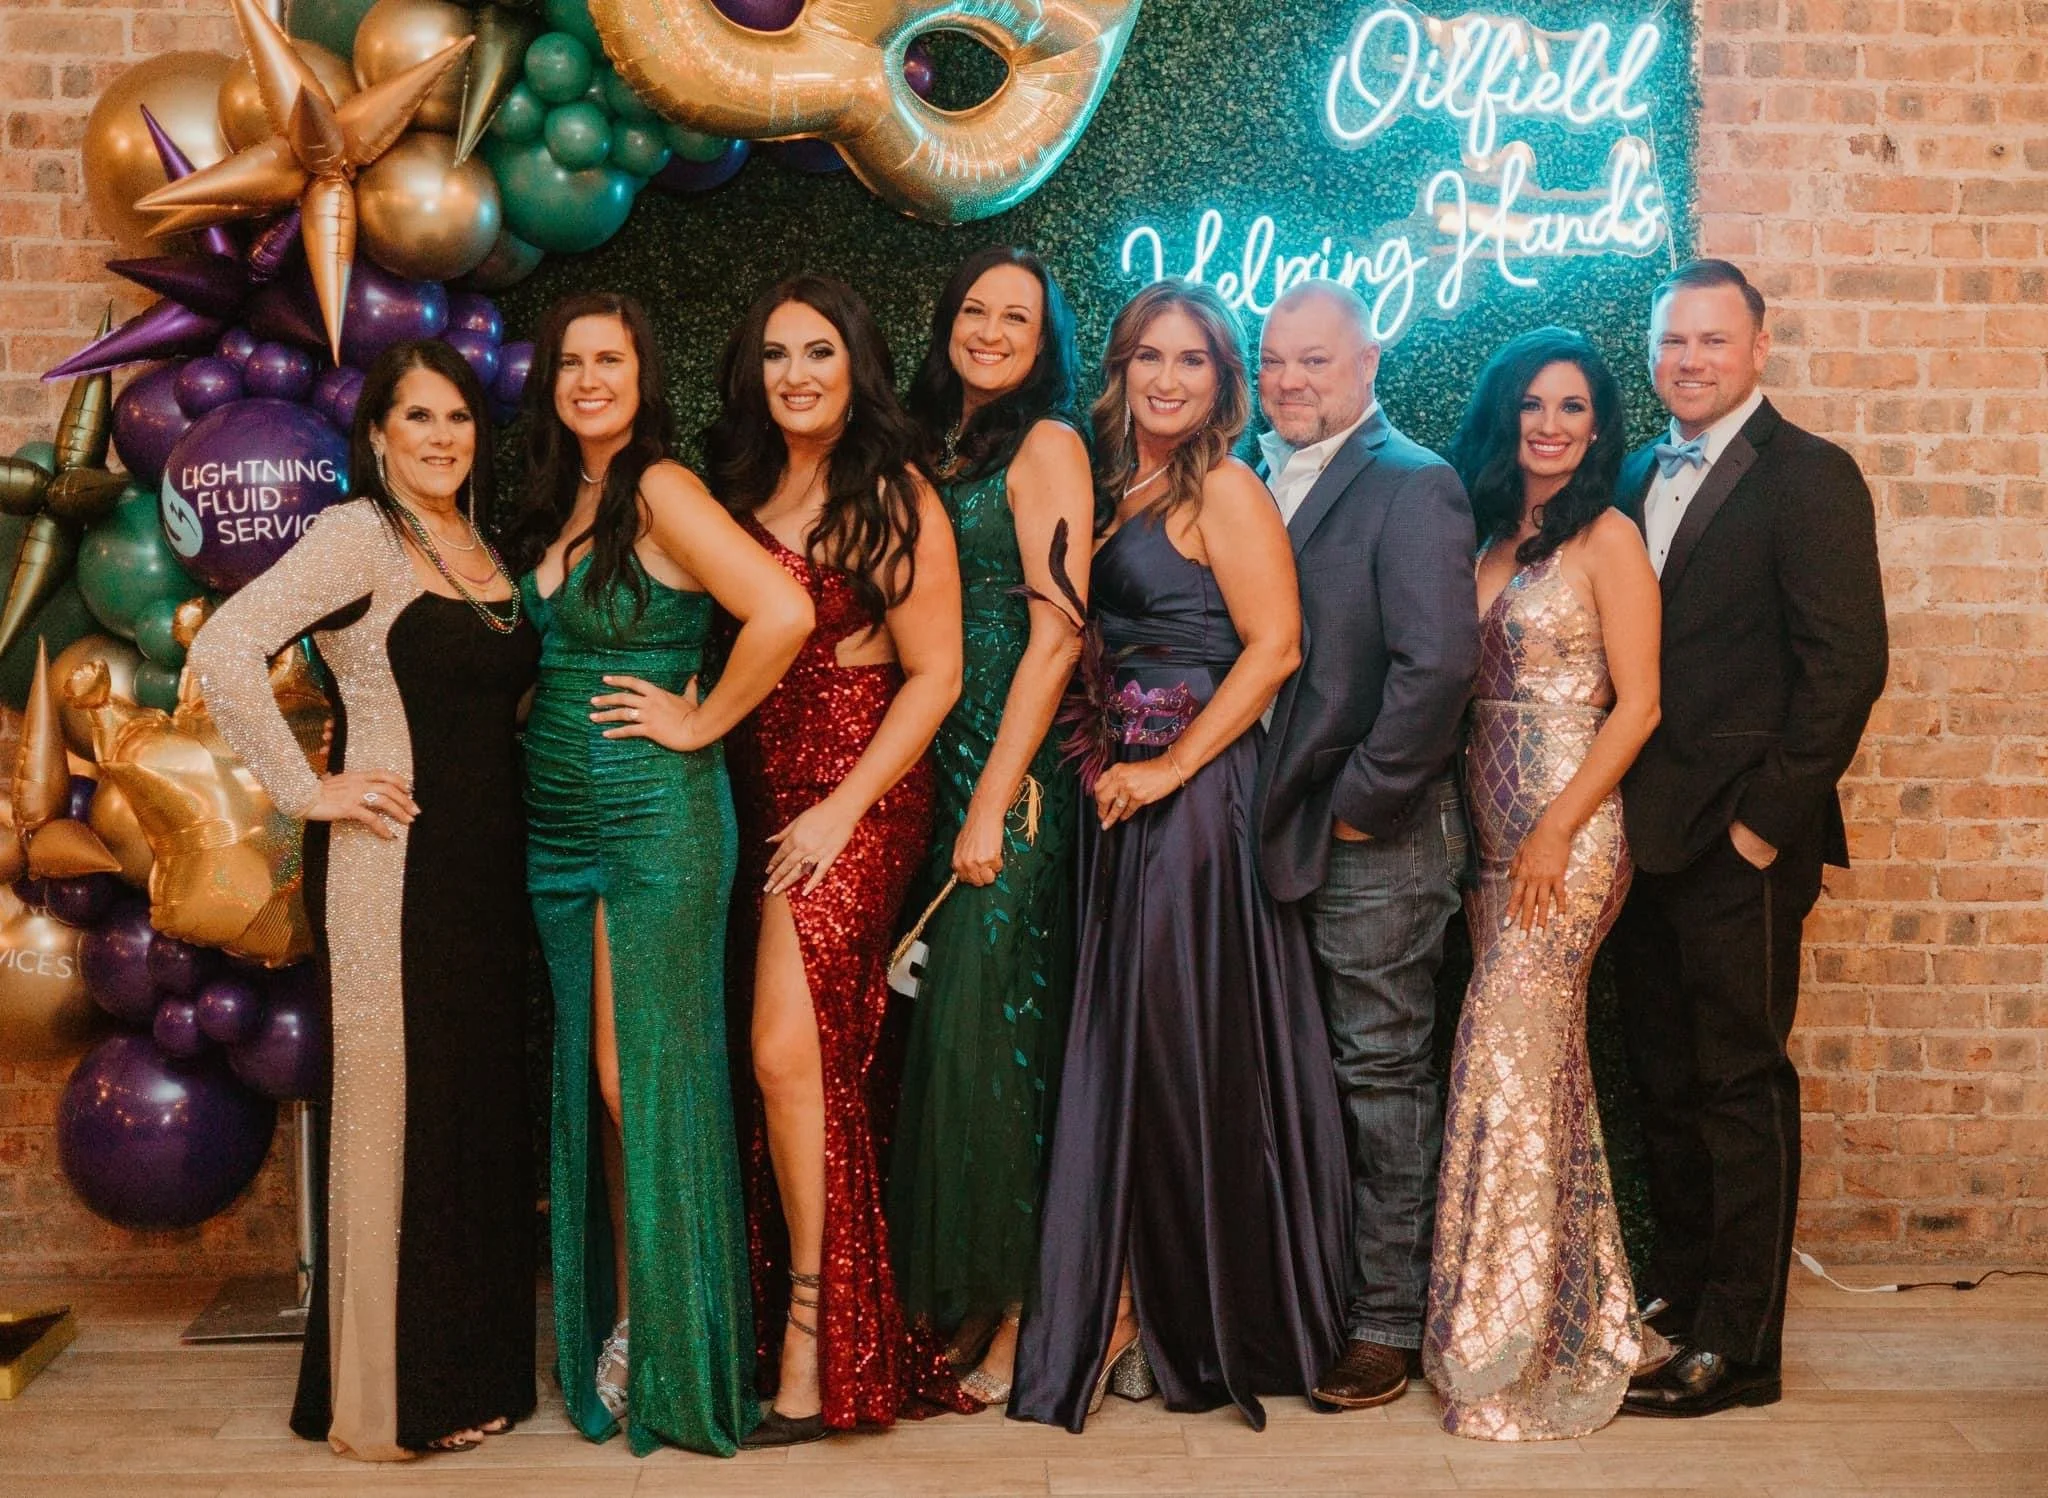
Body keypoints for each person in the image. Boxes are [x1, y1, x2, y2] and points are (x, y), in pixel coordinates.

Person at [1009, 279, 1349, 1434]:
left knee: (1177, 1045)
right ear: (1119, 369)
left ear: (1220, 382)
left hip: (1193, 804)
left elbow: (1272, 650)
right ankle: (1133, 1294)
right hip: (1121, 797)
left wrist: (1166, 769)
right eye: (1147, 357)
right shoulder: (1119, 488)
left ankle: (1171, 1311)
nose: (1165, 379)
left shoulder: (1224, 486)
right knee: (1135, 1046)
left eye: (1190, 362)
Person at [189, 340, 538, 1459]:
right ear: (377, 436)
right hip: (392, 868)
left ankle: (468, 1370)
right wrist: (310, 790)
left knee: (467, 1118)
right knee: (396, 1115)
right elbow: (228, 646)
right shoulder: (358, 537)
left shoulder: (481, 547)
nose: (441, 437)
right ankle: (387, 1402)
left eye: (458, 418)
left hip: (487, 873)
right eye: (418, 418)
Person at [509, 292, 814, 1456]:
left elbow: (778, 611)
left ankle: (676, 1348)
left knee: (647, 1075)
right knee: (611, 1077)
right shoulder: (568, 498)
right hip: (561, 832)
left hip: (653, 819)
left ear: (643, 375)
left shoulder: (662, 487)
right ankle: (646, 1317)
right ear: (551, 383)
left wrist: (699, 724)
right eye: (572, 362)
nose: (590, 378)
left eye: (612, 359)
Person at [1613, 260, 1888, 1417]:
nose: (1688, 360)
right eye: (1672, 342)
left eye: (1711, 341)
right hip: (1638, 835)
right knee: (1663, 1083)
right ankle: (1680, 1299)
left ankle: (1744, 1344)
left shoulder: (1810, 475)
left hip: (1739, 843)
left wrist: (1760, 831)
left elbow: (1845, 666)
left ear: (1758, 346)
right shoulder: (1631, 471)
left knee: (1739, 1085)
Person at [707, 273, 969, 1446]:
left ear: (855, 363)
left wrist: (838, 810)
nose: (796, 374)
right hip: (750, 791)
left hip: (857, 792)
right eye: (775, 355)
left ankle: (820, 1340)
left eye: (818, 351)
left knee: (782, 1048)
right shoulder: (739, 490)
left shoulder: (894, 491)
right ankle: (808, 1320)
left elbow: (937, 672)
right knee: (799, 1061)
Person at [1422, 328, 1665, 1439]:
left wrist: (1556, 831)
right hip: (1484, 832)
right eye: (1532, 404)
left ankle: (1501, 1348)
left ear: (1598, 425)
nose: (1551, 424)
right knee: (1542, 1074)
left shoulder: (1607, 535)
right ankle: (1588, 1310)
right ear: (1505, 416)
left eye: (1572, 407)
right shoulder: (1482, 527)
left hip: (1564, 840)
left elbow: (1640, 703)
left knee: (1500, 1065)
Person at [1249, 280, 1480, 1409]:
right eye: (1273, 361)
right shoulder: (1243, 477)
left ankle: (1383, 1322)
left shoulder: (1411, 482)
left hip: (1368, 839)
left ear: (1367, 363)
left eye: (1313, 362)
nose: (1290, 381)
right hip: (1257, 829)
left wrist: (1359, 804)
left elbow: (1434, 667)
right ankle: (1292, 1302)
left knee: (1378, 1077)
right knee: (1291, 1073)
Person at [891, 245, 1093, 1403]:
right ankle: (965, 1300)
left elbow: (1057, 632)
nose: (989, 329)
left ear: (1041, 339)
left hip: (1005, 780)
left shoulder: (1045, 445)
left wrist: (988, 796)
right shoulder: (932, 445)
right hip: (931, 760)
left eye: (1014, 316)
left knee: (994, 1035)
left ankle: (1022, 1315)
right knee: (945, 1042)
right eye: (973, 308)